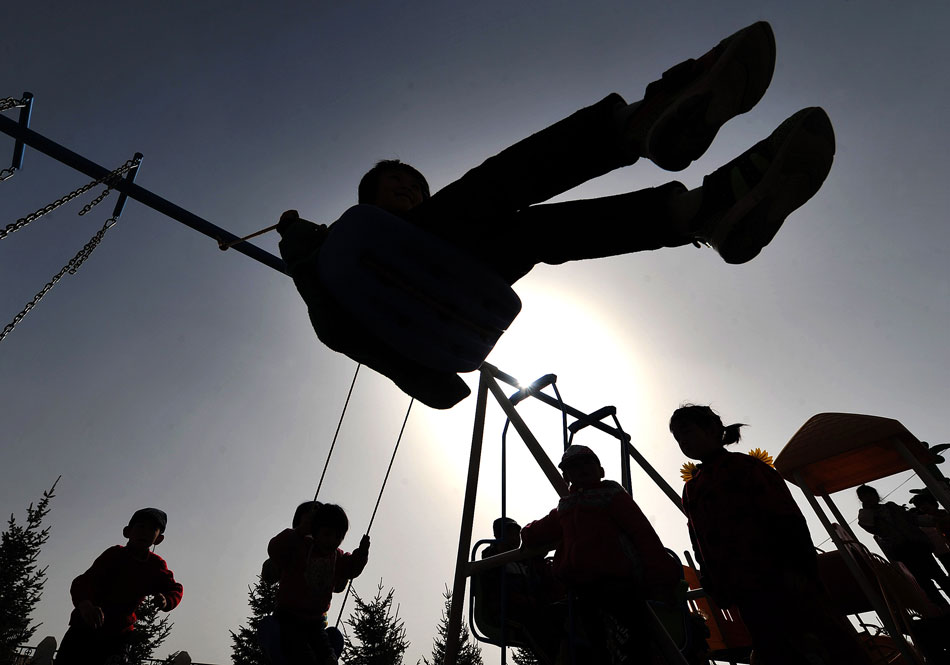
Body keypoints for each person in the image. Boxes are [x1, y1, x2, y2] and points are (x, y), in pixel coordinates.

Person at [276, 21, 836, 409]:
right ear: (367, 198)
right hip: (407, 285)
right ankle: (637, 125)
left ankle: (698, 212)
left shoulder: (412, 240)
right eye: (393, 183)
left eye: (414, 184)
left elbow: (425, 381)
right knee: (490, 186)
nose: (406, 185)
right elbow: (333, 310)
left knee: (535, 233)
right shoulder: (344, 247)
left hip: (459, 285)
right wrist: (301, 240)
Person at [670, 404, 871, 665]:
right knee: (776, 651)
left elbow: (787, 518)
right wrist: (711, 581)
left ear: (712, 429)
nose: (683, 441)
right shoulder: (692, 488)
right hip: (744, 589)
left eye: (687, 431)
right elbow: (698, 538)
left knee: (823, 645)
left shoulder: (746, 467)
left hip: (782, 578)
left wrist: (800, 569)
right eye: (677, 438)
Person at [520, 444, 681, 664]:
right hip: (583, 589)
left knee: (628, 641)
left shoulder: (612, 495)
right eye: (574, 467)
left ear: (601, 471)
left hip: (617, 583)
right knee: (592, 641)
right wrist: (527, 533)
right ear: (567, 476)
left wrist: (662, 578)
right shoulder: (566, 507)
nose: (582, 469)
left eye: (588, 463)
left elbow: (642, 532)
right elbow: (545, 528)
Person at [54, 508, 184, 665]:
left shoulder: (155, 566)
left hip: (118, 637)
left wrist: (167, 600)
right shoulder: (113, 555)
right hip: (85, 627)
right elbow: (83, 582)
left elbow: (175, 589)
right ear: (127, 531)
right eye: (141, 526)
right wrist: (86, 605)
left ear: (159, 539)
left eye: (152, 529)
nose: (145, 532)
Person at [264, 502, 370, 665]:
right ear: (315, 532)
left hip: (315, 622)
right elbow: (275, 549)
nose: (332, 541)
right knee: (303, 655)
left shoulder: (337, 558)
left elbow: (351, 568)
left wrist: (361, 555)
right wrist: (300, 530)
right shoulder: (301, 547)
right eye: (327, 534)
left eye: (338, 537)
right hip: (290, 617)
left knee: (328, 657)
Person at [856, 484, 950, 609]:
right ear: (861, 500)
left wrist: (934, 521)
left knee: (938, 575)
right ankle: (942, 606)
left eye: (870, 495)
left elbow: (912, 519)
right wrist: (867, 510)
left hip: (919, 545)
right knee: (924, 580)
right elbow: (867, 525)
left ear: (876, 496)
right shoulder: (867, 515)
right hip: (902, 550)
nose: (868, 498)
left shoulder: (891, 507)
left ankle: (943, 603)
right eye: (864, 496)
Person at [910, 489, 950, 576]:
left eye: (924, 504)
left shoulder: (945, 513)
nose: (922, 507)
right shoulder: (925, 522)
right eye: (919, 506)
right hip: (942, 552)